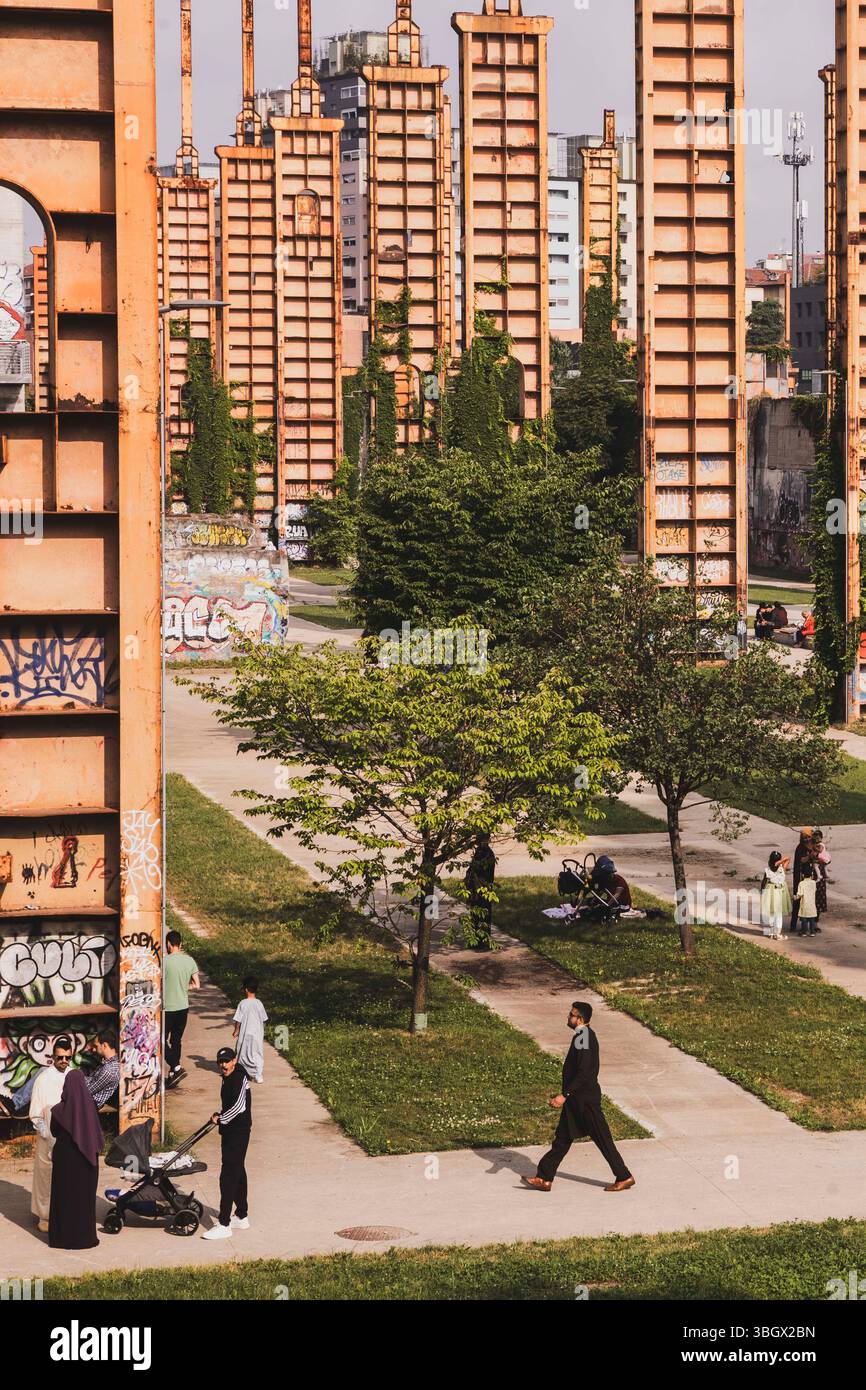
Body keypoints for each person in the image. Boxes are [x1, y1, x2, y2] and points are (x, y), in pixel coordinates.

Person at [522, 1001, 635, 1194]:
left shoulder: (583, 1036)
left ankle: (624, 1177)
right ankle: (544, 1178)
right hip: (577, 1100)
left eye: (572, 1015)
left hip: (585, 1101)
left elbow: (584, 1072)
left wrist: (564, 1095)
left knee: (603, 1139)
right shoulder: (582, 1035)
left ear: (580, 1019)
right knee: (562, 1139)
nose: (568, 1017)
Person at [48, 1068, 102, 1250]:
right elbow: (97, 1135)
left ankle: (62, 1239)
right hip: (87, 1162)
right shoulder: (92, 1108)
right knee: (83, 1201)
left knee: (64, 1198)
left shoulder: (58, 1111)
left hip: (65, 1160)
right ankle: (84, 1238)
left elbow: (54, 1131)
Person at [203, 1046, 252, 1241]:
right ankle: (241, 1215)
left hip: (238, 1132)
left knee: (228, 1176)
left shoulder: (239, 1077)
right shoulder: (228, 1077)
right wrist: (221, 1116)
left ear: (234, 1060)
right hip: (232, 1130)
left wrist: (221, 1118)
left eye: (227, 1061)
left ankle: (224, 1224)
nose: (223, 1065)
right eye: (220, 1062)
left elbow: (240, 1107)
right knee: (238, 1171)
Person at [28, 1037, 74, 1233]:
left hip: (69, 1136)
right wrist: (48, 1136)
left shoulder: (74, 1076)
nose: (64, 1060)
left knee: (68, 1178)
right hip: (48, 1137)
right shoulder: (43, 1079)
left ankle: (64, 1213)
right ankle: (44, 1216)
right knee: (46, 1178)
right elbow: (36, 1114)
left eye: (67, 1057)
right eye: (60, 1057)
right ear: (53, 1056)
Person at [163, 929, 200, 1089]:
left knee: (159, 1041)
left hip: (168, 1008)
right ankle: (173, 1072)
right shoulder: (189, 961)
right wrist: (185, 987)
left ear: (169, 944)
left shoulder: (164, 961)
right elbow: (197, 985)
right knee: (176, 1040)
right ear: (181, 944)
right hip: (183, 1007)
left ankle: (176, 1067)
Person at [464, 833, 497, 950]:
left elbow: (483, 872)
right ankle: (475, 941)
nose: (477, 841)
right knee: (475, 915)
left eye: (479, 838)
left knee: (483, 915)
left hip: (482, 890)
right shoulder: (481, 851)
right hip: (477, 889)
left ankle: (483, 942)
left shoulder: (486, 853)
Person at [232, 977, 268, 1084]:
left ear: (246, 989)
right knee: (257, 1052)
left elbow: (238, 1019)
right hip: (257, 1034)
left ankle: (242, 1071)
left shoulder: (243, 1003)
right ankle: (258, 1075)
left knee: (242, 1051)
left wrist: (236, 1030)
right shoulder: (259, 1003)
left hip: (245, 1033)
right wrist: (262, 1031)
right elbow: (263, 1019)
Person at [790, 828, 816, 936]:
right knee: (798, 901)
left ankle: (812, 926)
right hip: (800, 878)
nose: (806, 839)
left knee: (811, 901)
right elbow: (801, 860)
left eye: (808, 836)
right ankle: (794, 925)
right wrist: (810, 856)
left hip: (810, 878)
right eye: (804, 837)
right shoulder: (800, 848)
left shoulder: (813, 846)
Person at [83, 1032, 120, 1109]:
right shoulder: (106, 1064)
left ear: (104, 1045)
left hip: (89, 1106)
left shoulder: (109, 1069)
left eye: (96, 1046)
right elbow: (91, 1080)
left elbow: (88, 1091)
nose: (93, 1050)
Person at [760, 851, 791, 940]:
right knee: (778, 914)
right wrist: (779, 862)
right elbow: (788, 858)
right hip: (779, 892)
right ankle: (777, 934)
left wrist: (762, 892)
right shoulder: (782, 868)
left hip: (769, 892)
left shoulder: (767, 870)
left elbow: (763, 882)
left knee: (771, 913)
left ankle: (771, 933)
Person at [794, 865, 819, 938]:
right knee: (812, 918)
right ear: (811, 874)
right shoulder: (813, 883)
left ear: (802, 875)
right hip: (811, 903)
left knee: (804, 918)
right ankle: (812, 932)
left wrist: (795, 897)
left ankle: (804, 932)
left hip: (804, 903)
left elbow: (800, 894)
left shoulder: (801, 883)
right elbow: (815, 890)